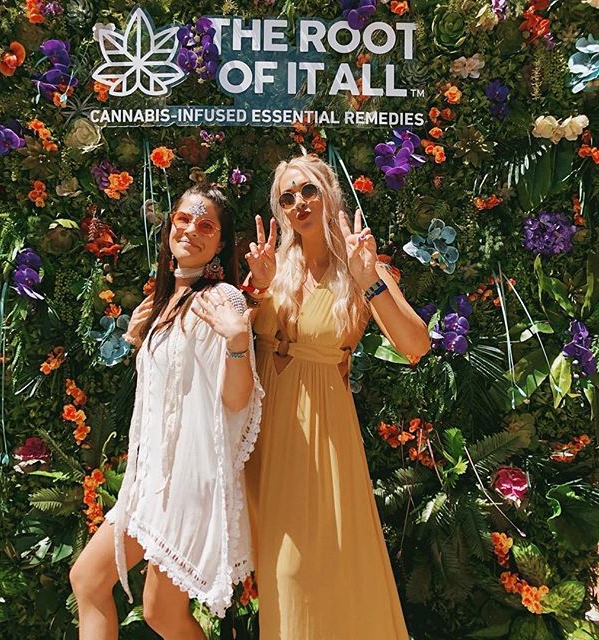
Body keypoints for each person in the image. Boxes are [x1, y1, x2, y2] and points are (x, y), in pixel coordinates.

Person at [242, 153, 430, 639]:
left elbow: (415, 346)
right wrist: (257, 291)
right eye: (287, 197)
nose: (299, 203)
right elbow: (234, 340)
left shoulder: (359, 267)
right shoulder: (272, 265)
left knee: (319, 566)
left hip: (323, 432)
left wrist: (369, 280)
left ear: (329, 195)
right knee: (277, 570)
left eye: (308, 190)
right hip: (264, 430)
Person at [69, 183, 264, 640]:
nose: (191, 229)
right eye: (183, 219)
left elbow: (237, 401)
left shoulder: (222, 299)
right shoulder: (164, 301)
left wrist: (238, 343)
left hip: (186, 481)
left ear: (220, 243)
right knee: (129, 598)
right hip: (153, 478)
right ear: (169, 226)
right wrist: (143, 339)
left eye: (206, 225)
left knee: (118, 593)